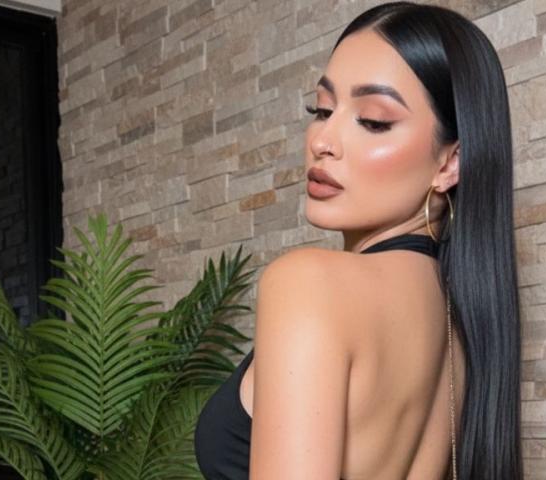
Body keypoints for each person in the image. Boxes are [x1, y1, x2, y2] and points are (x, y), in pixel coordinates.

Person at [194, 2, 523, 479]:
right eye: (322, 110)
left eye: (372, 120)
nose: (322, 140)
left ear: (450, 162)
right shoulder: (462, 324)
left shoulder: (309, 283)